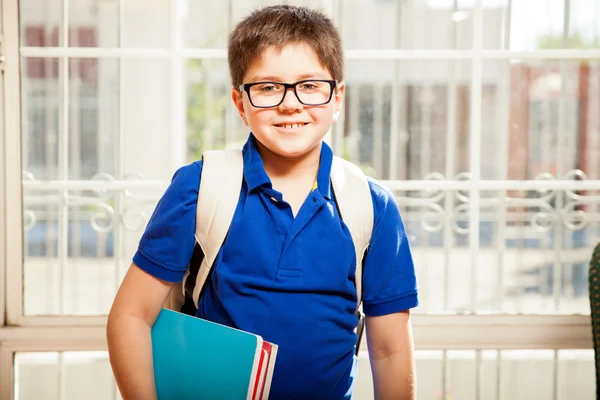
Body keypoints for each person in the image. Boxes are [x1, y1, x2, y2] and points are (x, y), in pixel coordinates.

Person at [106, 5, 418, 400]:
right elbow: (130, 316)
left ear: (337, 98)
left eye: (310, 85)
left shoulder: (372, 205)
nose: (291, 104)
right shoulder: (200, 187)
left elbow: (390, 351)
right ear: (240, 103)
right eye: (268, 87)